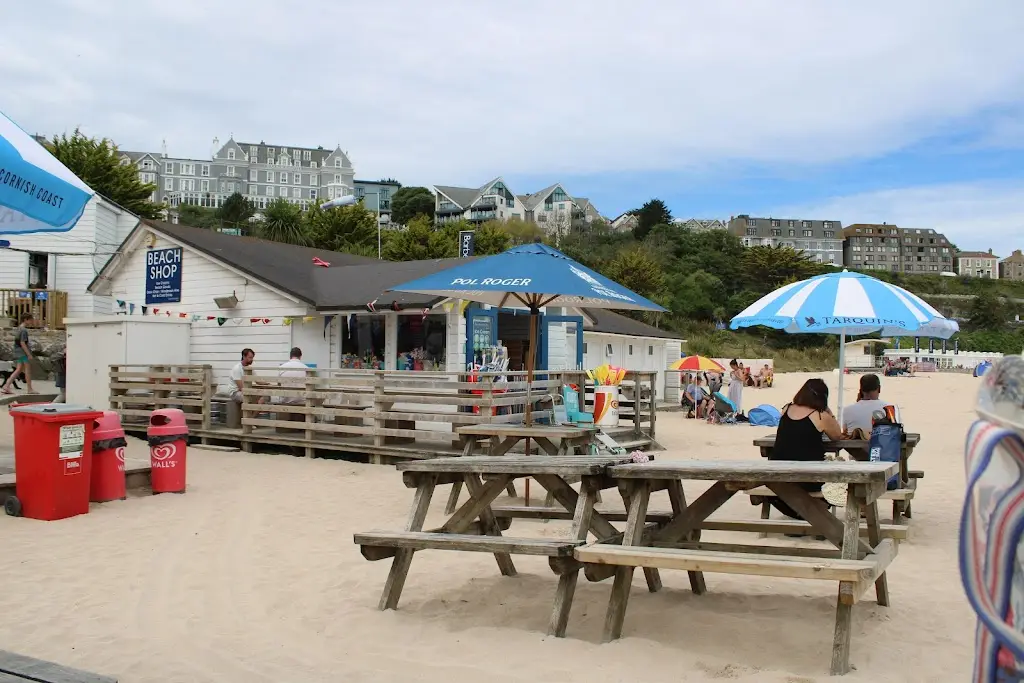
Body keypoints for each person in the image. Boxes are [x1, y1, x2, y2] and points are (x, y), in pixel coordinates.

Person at [767, 378, 844, 519]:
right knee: (840, 481)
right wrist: (830, 413)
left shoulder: (786, 409)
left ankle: (801, 513)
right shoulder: (820, 416)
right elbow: (837, 436)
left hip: (779, 478)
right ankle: (816, 516)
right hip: (809, 480)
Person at [842, 374, 890, 438]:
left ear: (861, 390)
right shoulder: (889, 409)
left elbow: (845, 432)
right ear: (879, 389)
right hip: (881, 446)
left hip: (855, 447)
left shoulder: (847, 410)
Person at [1, 313, 34, 395]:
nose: (31, 321)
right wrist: (28, 354)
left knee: (19, 369)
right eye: (30, 320)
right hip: (23, 353)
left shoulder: (19, 328)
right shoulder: (24, 330)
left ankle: (6, 386)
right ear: (26, 319)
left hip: (18, 352)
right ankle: (29, 389)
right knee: (27, 370)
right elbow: (22, 343)